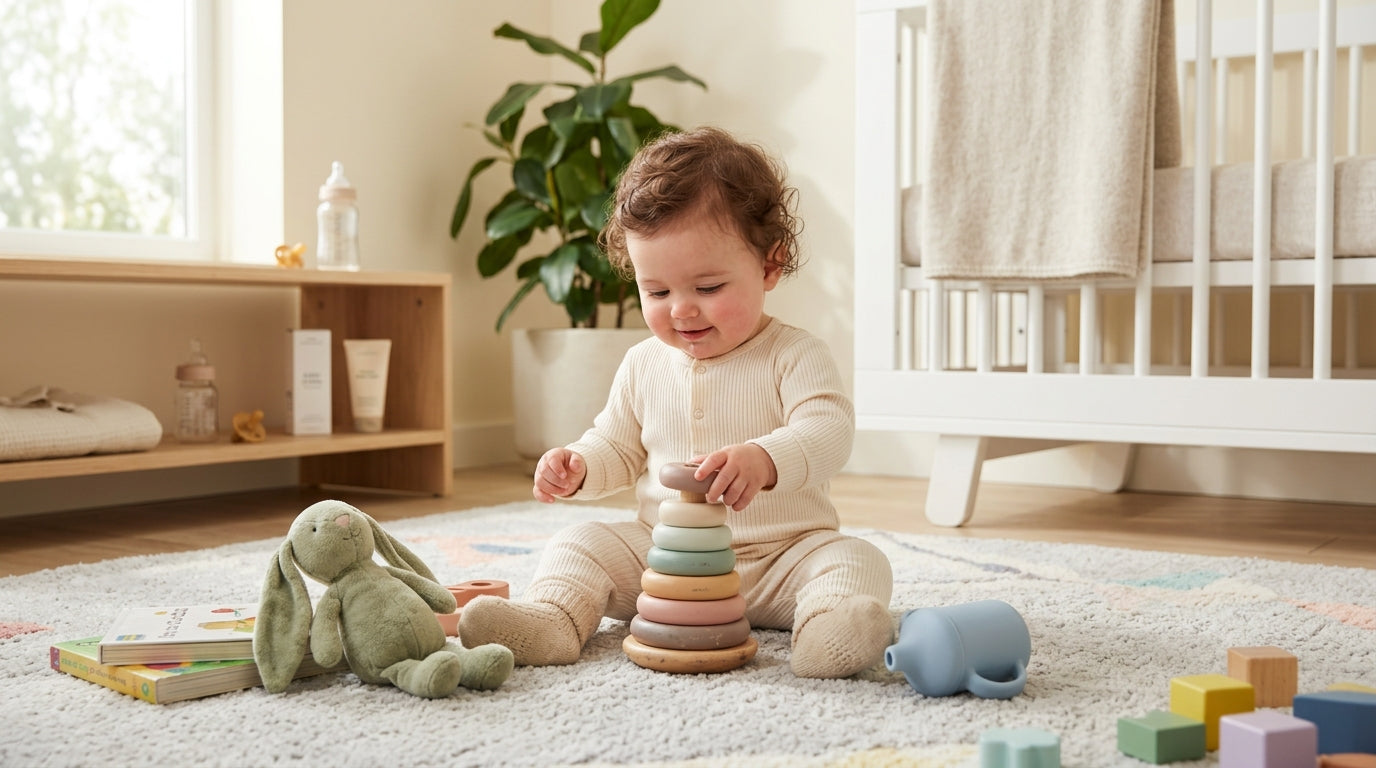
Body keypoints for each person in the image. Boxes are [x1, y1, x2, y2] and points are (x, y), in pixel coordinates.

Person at [459, 126, 894, 679]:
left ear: (769, 265)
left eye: (708, 288)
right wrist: (580, 465)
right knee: (580, 541)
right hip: (665, 561)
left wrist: (764, 459)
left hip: (782, 558)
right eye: (657, 292)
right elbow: (616, 445)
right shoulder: (643, 364)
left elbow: (828, 430)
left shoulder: (794, 353)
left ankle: (829, 631)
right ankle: (552, 619)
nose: (682, 311)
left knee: (858, 560)